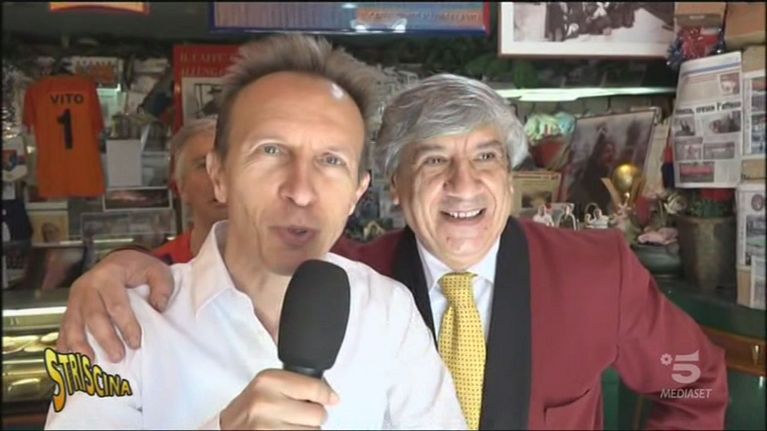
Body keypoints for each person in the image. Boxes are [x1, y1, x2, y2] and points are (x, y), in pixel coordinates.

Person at [59, 73, 728, 429]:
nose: (463, 185)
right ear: (391, 189)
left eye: (486, 158)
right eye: (433, 160)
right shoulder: (352, 280)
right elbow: (247, 255)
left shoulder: (594, 273)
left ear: (513, 178)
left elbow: (692, 380)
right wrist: (115, 270)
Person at [45, 34, 466, 430]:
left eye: (331, 160)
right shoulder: (120, 318)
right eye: (271, 151)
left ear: (357, 193)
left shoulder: (389, 312)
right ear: (219, 175)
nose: (301, 191)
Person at [151, 116, 227, 264]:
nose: (220, 177)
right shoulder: (160, 268)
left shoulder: (277, 263)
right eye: (204, 165)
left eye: (230, 162)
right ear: (181, 186)